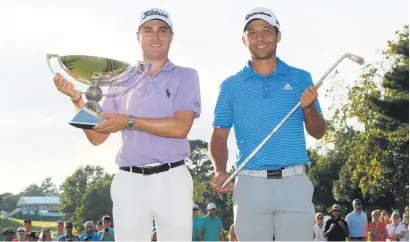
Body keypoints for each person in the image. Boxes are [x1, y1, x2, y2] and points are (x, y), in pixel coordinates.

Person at [53, 7, 201, 241]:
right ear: (138, 36)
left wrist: (129, 122)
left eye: (163, 30)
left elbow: (180, 127)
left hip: (173, 177)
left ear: (171, 37)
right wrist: (78, 99)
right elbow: (97, 137)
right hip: (129, 181)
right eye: (148, 30)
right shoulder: (120, 78)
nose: (156, 36)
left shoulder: (186, 75)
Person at [209, 6, 326, 241]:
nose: (259, 37)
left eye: (266, 31)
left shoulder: (301, 77)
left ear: (278, 36)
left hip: (294, 182)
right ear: (244, 40)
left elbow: (318, 132)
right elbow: (219, 136)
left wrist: (310, 107)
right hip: (250, 184)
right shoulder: (230, 85)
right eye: (252, 32)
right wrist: (220, 170)